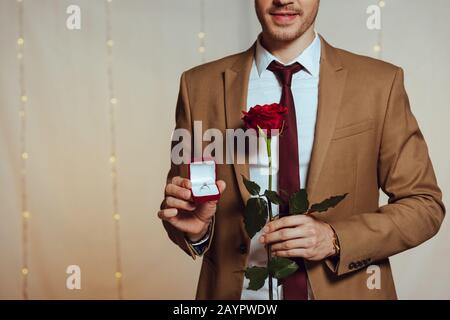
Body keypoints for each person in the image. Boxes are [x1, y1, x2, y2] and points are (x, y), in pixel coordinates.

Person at [157, 0, 445, 299]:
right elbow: (185, 207)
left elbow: (424, 206)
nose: (284, 0)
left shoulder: (379, 83)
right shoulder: (199, 86)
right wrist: (197, 232)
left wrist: (335, 239)